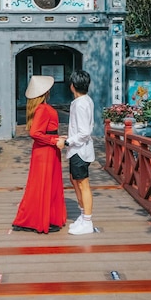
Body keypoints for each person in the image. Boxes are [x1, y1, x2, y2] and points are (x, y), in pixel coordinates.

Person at [12, 75, 67, 234]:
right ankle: (40, 219)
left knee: (42, 184)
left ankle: (42, 218)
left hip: (46, 150)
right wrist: (53, 140)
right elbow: (35, 133)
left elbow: (43, 131)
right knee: (44, 184)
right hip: (46, 152)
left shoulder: (40, 109)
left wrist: (57, 138)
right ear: (46, 92)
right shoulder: (43, 109)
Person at [57, 70, 95, 235]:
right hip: (78, 149)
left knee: (83, 184)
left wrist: (67, 141)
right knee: (75, 180)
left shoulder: (80, 104)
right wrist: (70, 137)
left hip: (80, 150)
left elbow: (84, 132)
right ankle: (82, 215)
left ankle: (87, 220)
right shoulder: (85, 100)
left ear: (72, 86)